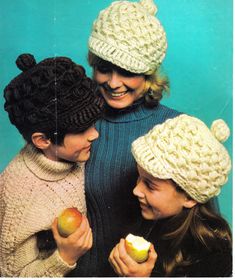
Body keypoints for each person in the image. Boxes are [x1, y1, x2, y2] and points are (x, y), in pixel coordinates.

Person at [68, 0, 181, 276]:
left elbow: (202, 233)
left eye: (128, 71)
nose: (114, 83)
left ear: (148, 74)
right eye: (105, 68)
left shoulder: (176, 127)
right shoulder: (75, 124)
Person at [0, 53, 104, 277]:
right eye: (81, 129)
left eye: (93, 123)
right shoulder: (19, 192)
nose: (95, 134)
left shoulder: (75, 153)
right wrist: (64, 258)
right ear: (43, 140)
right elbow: (11, 274)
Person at [108, 114, 232, 277]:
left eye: (150, 185)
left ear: (189, 198)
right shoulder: (144, 221)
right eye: (139, 177)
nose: (136, 190)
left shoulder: (213, 255)